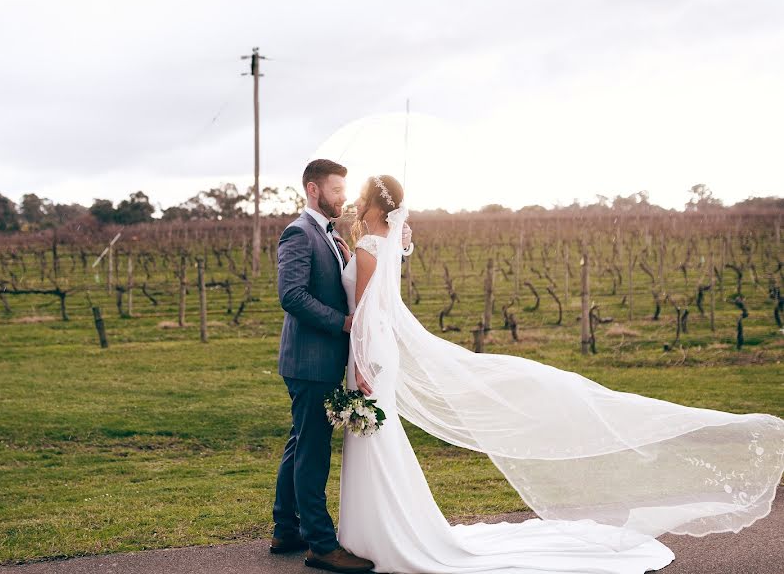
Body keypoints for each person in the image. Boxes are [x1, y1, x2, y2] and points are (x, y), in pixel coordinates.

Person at [335, 174, 784, 574]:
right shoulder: (386, 243)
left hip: (369, 350)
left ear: (372, 204)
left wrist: (356, 364)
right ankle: (373, 531)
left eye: (357, 197)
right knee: (376, 435)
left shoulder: (370, 247)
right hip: (378, 347)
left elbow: (365, 312)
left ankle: (381, 534)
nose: (353, 203)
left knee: (374, 435)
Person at [272, 159, 411, 573]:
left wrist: (401, 245)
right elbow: (292, 296)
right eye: (336, 189)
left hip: (326, 357)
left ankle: (286, 528)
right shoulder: (299, 233)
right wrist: (344, 322)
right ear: (313, 190)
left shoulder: (334, 235)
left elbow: (374, 276)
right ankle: (320, 544)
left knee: (301, 442)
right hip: (310, 359)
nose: (344, 197)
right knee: (312, 452)